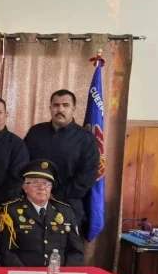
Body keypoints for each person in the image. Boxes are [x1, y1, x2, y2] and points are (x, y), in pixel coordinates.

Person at [23, 89, 100, 232]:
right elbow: (24, 166)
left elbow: (87, 177)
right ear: (50, 108)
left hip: (68, 206)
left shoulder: (85, 139)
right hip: (33, 203)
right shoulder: (35, 132)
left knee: (67, 252)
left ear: (74, 108)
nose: (60, 109)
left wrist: (55, 195)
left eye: (65, 105)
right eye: (56, 105)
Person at [0, 159, 84, 267]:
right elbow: (6, 252)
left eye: (47, 184)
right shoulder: (9, 211)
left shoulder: (65, 211)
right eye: (36, 183)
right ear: (25, 187)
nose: (42, 187)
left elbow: (75, 251)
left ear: (51, 188)